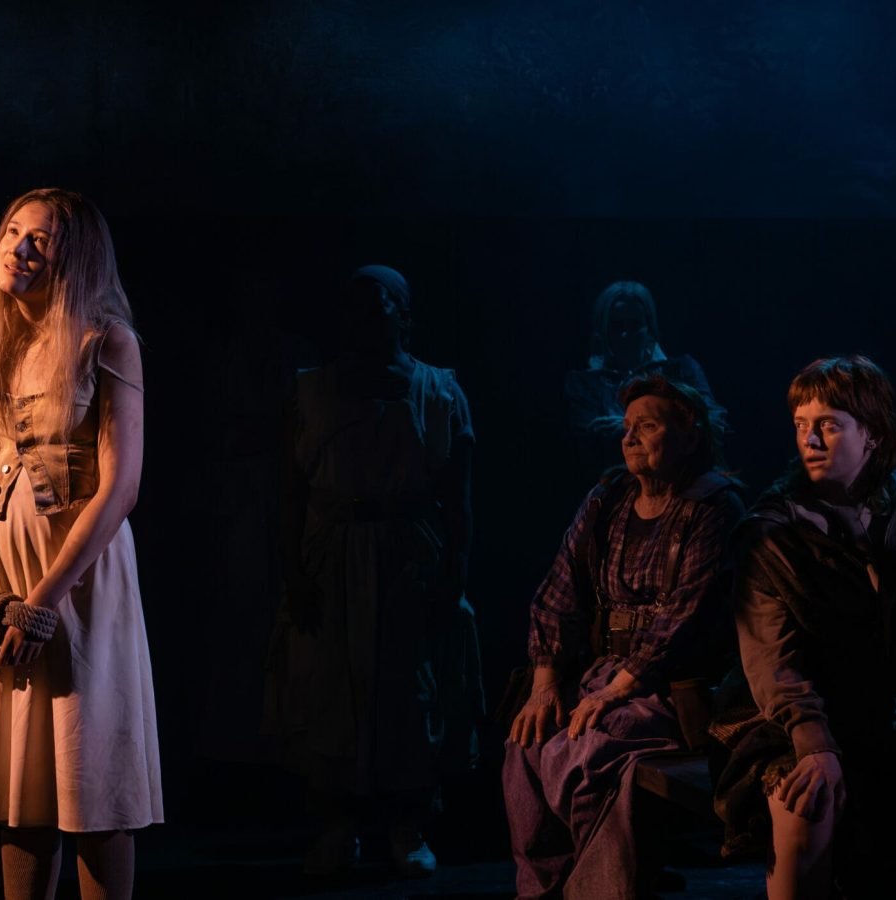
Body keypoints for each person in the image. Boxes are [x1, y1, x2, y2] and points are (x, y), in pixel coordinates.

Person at [712, 355, 896, 899]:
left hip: (876, 712)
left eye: (828, 424)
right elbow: (773, 660)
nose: (811, 440)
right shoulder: (770, 530)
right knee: (809, 803)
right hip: (782, 716)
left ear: (870, 434)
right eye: (802, 425)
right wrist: (814, 741)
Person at [0, 189, 161, 900]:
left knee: (88, 779)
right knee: (20, 788)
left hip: (78, 580)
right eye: (12, 231)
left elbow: (121, 488)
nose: (20, 247)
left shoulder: (107, 341)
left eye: (41, 239)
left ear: (77, 257)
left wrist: (43, 604)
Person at [265, 265, 483, 878]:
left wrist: (453, 576)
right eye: (354, 305)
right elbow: (288, 492)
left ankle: (406, 822)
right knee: (327, 688)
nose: (366, 316)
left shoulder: (438, 391)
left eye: (379, 304)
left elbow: (459, 496)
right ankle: (337, 825)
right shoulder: (312, 392)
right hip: (331, 555)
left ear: (404, 314)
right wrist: (295, 575)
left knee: (407, 692)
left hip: (406, 552)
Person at [504, 375, 743, 900]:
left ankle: (604, 890)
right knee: (525, 744)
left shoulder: (714, 508)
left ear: (690, 434)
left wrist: (616, 690)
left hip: (671, 688)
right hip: (602, 675)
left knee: (590, 751)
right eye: (627, 427)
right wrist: (544, 687)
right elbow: (558, 591)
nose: (629, 437)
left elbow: (686, 617)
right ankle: (544, 889)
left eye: (648, 426)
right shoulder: (608, 498)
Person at [564, 281, 726, 476]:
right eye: (617, 325)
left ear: (649, 327)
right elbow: (586, 444)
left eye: (634, 325)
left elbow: (713, 424)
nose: (625, 334)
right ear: (603, 329)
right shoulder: (584, 383)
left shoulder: (681, 370)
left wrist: (628, 427)